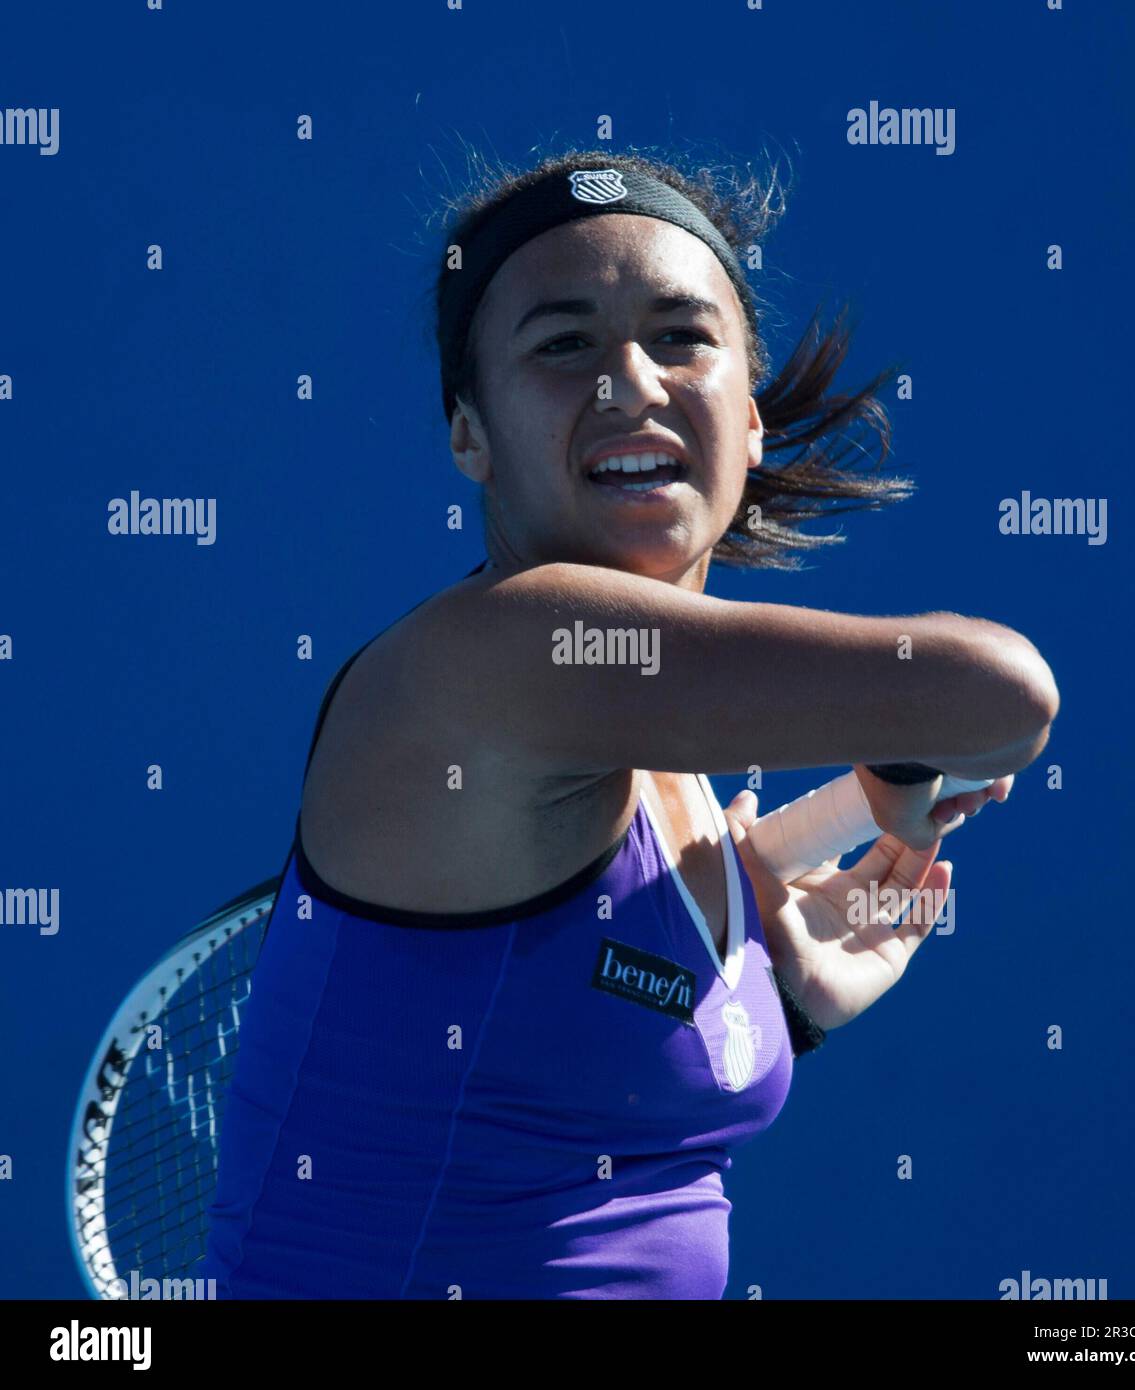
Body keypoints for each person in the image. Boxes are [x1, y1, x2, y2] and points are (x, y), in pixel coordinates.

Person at [199, 147, 1058, 1299]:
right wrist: (902, 773)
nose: (629, 384)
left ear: (748, 421)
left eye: (680, 337)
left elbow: (542, 1072)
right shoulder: (495, 660)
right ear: (470, 434)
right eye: (564, 344)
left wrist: (775, 996)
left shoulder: (675, 785)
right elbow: (998, 695)